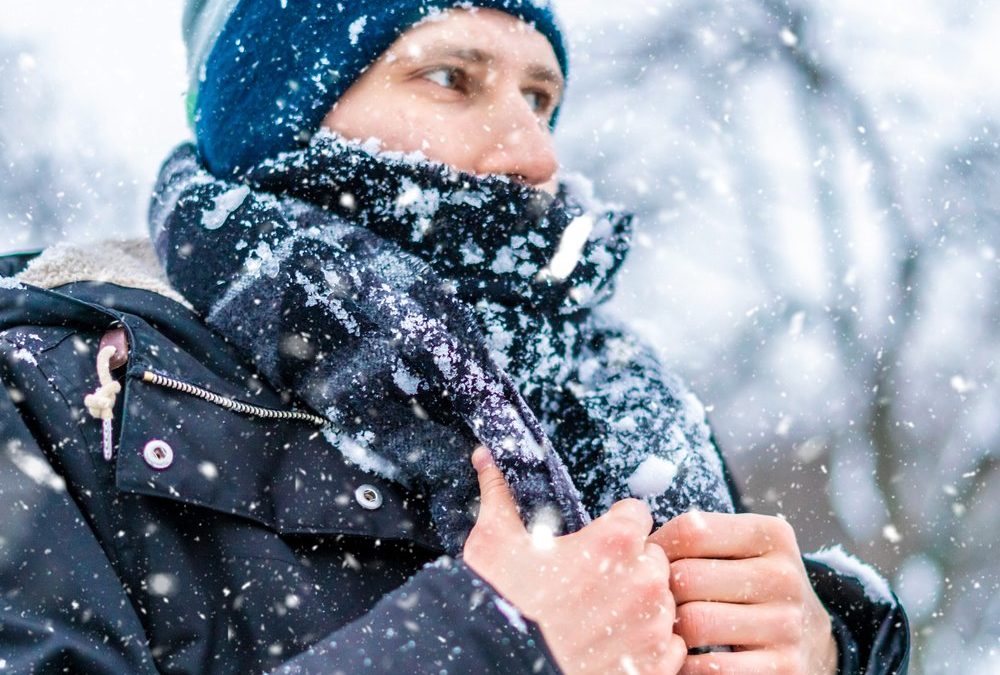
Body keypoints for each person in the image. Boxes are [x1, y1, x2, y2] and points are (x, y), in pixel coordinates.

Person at [0, 1, 909, 673]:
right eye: (451, 78)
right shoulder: (53, 387)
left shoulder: (620, 402)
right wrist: (488, 645)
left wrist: (830, 642)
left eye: (542, 98)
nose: (536, 155)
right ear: (279, 113)